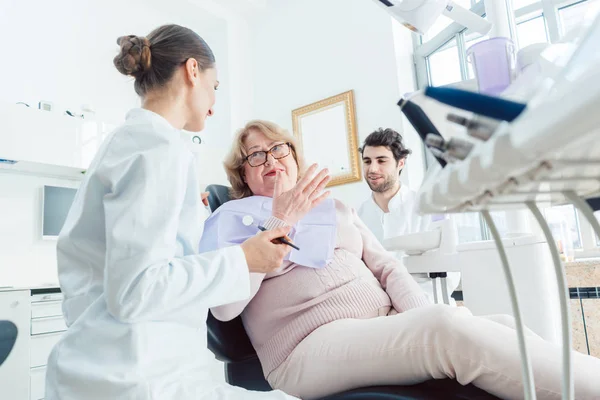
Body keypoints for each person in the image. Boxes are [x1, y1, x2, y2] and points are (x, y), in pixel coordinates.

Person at [199, 119, 600, 400]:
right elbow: (225, 306)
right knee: (445, 328)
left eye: (277, 149)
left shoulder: (333, 207)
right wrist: (280, 219)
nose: (270, 160)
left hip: (382, 326)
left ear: (293, 155)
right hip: (305, 348)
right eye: (255, 156)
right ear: (243, 176)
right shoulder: (229, 219)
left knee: (498, 325)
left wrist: (422, 317)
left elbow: (387, 268)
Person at [44, 25, 330, 400]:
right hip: (136, 375)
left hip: (127, 363)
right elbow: (135, 291)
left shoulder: (134, 144)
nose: (214, 103)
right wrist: (243, 258)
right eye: (215, 87)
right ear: (192, 71)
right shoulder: (157, 150)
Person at [358, 128, 460, 304]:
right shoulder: (359, 216)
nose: (373, 168)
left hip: (427, 305)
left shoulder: (428, 207)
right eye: (367, 161)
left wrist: (411, 302)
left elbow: (450, 271)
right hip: (378, 309)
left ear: (401, 163)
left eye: (381, 160)